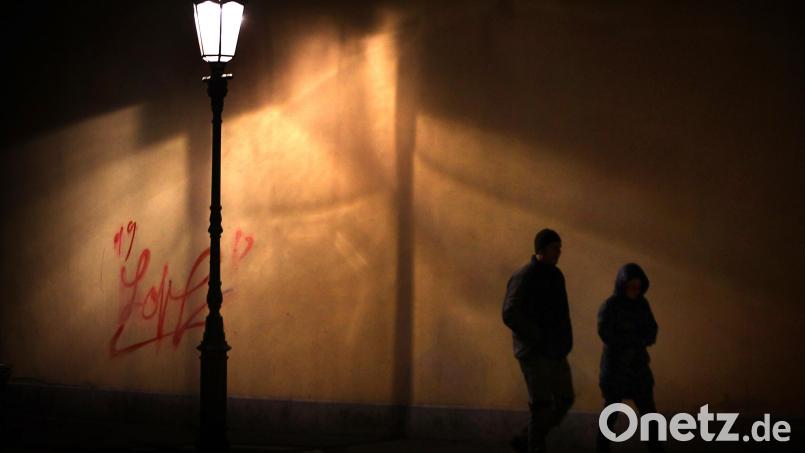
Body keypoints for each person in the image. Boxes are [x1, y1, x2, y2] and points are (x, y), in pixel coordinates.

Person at [502, 228, 574, 453]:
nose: (559, 252)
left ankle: (527, 439)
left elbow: (562, 312)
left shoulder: (556, 275)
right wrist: (537, 335)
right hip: (533, 351)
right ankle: (534, 445)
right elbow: (509, 312)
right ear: (541, 249)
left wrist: (563, 340)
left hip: (554, 349)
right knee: (541, 406)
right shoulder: (525, 275)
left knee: (564, 399)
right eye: (554, 248)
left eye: (560, 248)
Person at [596, 263, 663, 453]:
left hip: (638, 367)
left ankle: (655, 448)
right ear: (622, 285)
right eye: (631, 287)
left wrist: (636, 340)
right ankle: (602, 448)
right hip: (616, 368)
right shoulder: (610, 306)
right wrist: (633, 340)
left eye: (638, 287)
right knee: (611, 413)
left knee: (649, 413)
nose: (635, 291)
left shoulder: (642, 304)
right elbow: (606, 333)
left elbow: (652, 330)